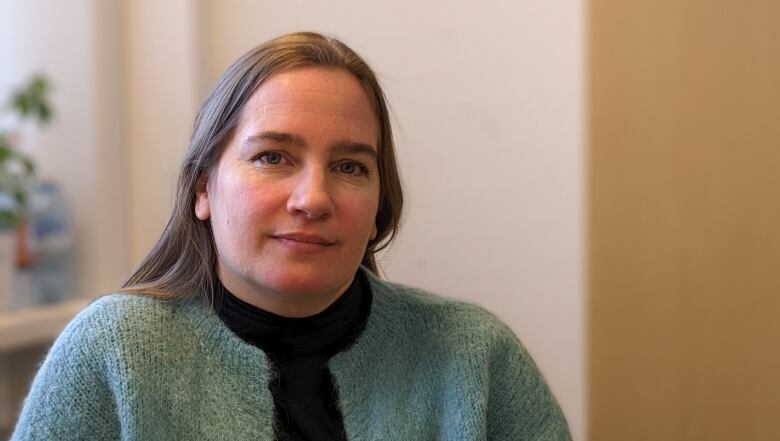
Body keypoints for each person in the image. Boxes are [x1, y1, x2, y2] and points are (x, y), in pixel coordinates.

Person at [11, 32, 571, 441]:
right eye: (273, 157)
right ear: (203, 188)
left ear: (379, 205)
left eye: (350, 166)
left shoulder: (476, 358)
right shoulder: (111, 356)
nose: (314, 199)